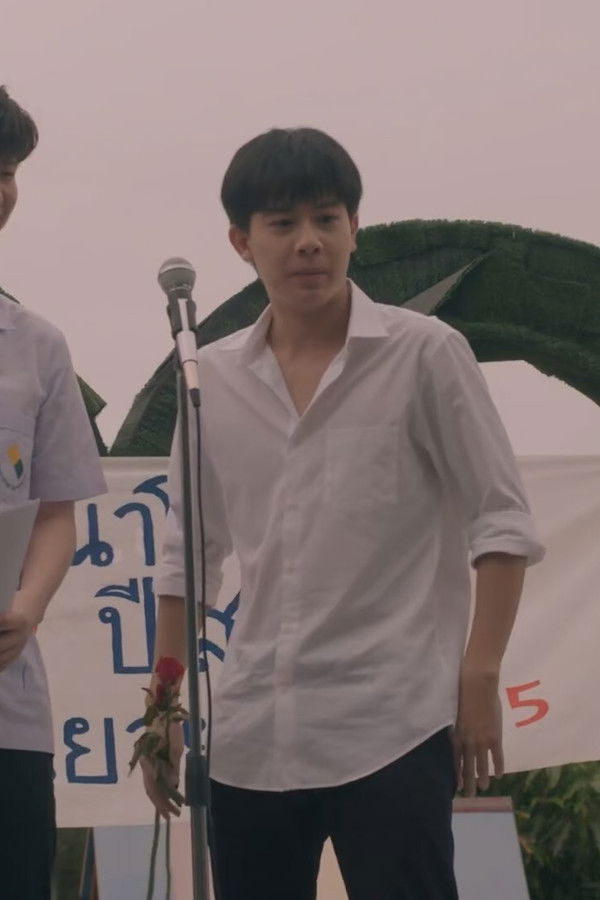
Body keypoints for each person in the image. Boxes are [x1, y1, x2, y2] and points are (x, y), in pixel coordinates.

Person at [143, 127, 544, 899]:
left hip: (392, 723)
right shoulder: (210, 379)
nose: (309, 243)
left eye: (328, 219)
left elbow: (501, 522)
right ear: (241, 242)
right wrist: (162, 707)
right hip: (253, 732)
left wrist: (479, 672)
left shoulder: (425, 354)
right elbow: (187, 558)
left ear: (355, 228)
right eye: (283, 223)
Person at [0, 86, 107, 900]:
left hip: (8, 715)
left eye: (7, 172)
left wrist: (27, 609)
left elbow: (56, 513)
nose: (0, 189)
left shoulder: (36, 345)